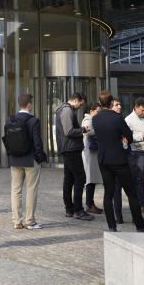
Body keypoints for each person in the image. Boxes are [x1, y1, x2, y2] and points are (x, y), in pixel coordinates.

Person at [90, 90, 144, 232]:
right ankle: (139, 226)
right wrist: (122, 138)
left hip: (104, 159)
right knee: (131, 193)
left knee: (108, 193)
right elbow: (128, 136)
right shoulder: (117, 118)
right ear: (111, 103)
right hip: (119, 159)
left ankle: (112, 226)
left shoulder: (95, 119)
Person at [8, 93, 47, 229]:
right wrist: (40, 157)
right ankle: (29, 220)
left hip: (15, 159)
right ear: (29, 104)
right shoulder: (33, 121)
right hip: (31, 160)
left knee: (16, 190)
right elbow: (37, 142)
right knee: (31, 189)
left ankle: (16, 221)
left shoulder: (10, 119)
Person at [55, 93, 94, 221]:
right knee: (80, 178)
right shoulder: (66, 110)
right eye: (80, 104)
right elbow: (68, 131)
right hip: (71, 149)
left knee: (69, 179)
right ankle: (77, 209)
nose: (80, 107)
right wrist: (83, 130)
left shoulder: (65, 109)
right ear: (76, 100)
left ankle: (70, 209)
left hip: (68, 148)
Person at [80, 102, 103, 214]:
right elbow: (87, 132)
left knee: (92, 178)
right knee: (90, 178)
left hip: (92, 152)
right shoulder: (88, 120)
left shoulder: (93, 119)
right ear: (91, 111)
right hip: (89, 152)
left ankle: (90, 203)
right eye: (97, 112)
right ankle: (89, 204)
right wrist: (99, 131)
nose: (99, 114)